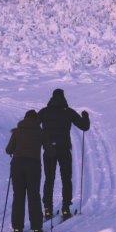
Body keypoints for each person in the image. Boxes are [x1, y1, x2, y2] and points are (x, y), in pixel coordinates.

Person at [38, 89, 90, 220]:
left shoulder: (44, 112)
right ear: (63, 98)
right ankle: (66, 208)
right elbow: (84, 127)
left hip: (49, 150)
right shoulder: (68, 112)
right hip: (64, 150)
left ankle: (47, 209)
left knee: (49, 179)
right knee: (66, 178)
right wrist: (85, 116)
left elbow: (34, 125)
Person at [4, 109, 45, 232]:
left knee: (18, 196)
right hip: (33, 165)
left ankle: (17, 227)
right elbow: (49, 147)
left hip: (17, 165)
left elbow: (8, 149)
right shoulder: (40, 132)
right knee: (34, 195)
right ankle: (36, 227)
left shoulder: (17, 132)